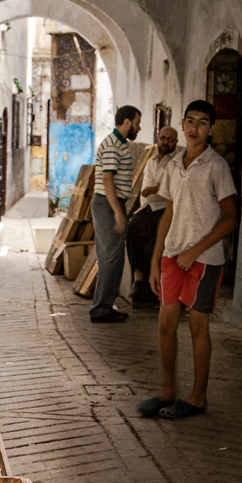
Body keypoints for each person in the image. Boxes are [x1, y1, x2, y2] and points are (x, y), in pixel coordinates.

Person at [137, 100, 238, 420]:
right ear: (182, 124)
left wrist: (194, 251)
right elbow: (168, 212)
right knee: (165, 324)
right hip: (172, 256)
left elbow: (231, 217)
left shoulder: (216, 166)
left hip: (205, 258)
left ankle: (198, 397)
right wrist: (156, 260)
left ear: (211, 129)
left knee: (197, 326)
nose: (195, 128)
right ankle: (167, 391)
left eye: (203, 123)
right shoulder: (173, 164)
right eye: (190, 121)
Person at [90, 105, 141, 323]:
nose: (138, 127)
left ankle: (105, 305)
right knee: (111, 257)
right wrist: (118, 213)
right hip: (107, 204)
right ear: (127, 122)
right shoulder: (112, 145)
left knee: (112, 257)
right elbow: (107, 180)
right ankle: (101, 308)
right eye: (137, 122)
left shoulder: (119, 144)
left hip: (110, 204)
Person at [127, 125, 178, 306]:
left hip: (166, 208)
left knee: (152, 246)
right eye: (163, 138)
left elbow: (171, 189)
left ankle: (151, 292)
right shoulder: (151, 162)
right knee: (132, 229)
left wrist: (156, 189)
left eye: (170, 139)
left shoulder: (177, 162)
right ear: (158, 139)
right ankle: (138, 276)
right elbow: (146, 191)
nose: (165, 142)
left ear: (176, 142)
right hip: (149, 208)